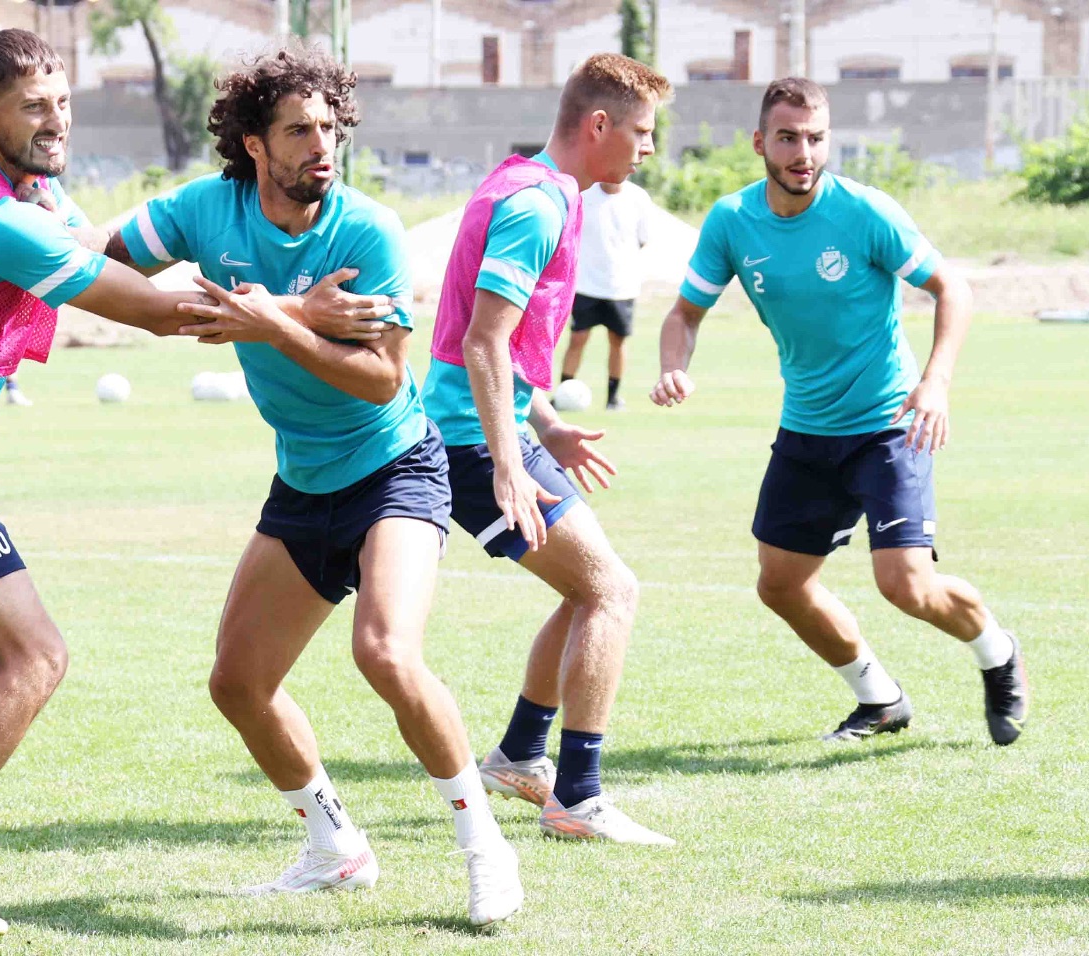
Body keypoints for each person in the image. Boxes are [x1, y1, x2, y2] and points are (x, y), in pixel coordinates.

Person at [0, 28, 279, 938]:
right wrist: (299, 310)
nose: (55, 120)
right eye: (33, 107)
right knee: (32, 659)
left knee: (2, 660)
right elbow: (152, 312)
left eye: (62, 102)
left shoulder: (14, 183)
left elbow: (96, 248)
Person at [108, 45, 523, 927]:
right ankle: (335, 848)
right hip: (303, 481)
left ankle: (485, 845)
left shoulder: (368, 230)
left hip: (395, 466)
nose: (321, 146)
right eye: (299, 131)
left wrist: (272, 323)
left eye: (330, 128)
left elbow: (380, 377)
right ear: (255, 144)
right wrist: (292, 310)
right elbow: (107, 267)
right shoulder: (205, 211)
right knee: (237, 682)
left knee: (386, 651)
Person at [650, 77, 1028, 746]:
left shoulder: (864, 211)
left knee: (906, 585)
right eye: (788, 138)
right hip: (807, 428)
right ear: (760, 142)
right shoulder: (732, 221)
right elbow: (684, 313)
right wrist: (673, 366)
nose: (804, 153)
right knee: (780, 585)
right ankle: (880, 698)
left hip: (889, 423)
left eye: (816, 138)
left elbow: (952, 288)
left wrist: (935, 382)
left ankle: (997, 652)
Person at [420, 54, 675, 843]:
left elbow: (504, 349)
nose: (648, 148)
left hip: (481, 427)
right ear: (598, 125)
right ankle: (578, 797)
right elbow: (482, 342)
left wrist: (546, 424)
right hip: (471, 442)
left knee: (586, 589)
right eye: (642, 132)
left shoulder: (533, 187)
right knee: (611, 591)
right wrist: (508, 461)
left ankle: (520, 755)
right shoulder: (536, 206)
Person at [558, 178, 656, 410]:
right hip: (586, 284)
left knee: (617, 341)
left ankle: (613, 398)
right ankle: (563, 393)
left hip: (621, 287)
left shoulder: (638, 198)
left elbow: (642, 240)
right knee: (578, 338)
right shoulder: (584, 195)